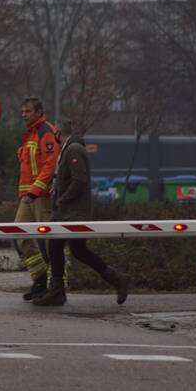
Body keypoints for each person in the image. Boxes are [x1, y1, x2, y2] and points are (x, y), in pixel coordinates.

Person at [34, 118, 129, 306]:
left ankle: (59, 291)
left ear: (58, 133)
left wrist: (63, 198)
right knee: (70, 249)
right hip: (67, 212)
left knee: (65, 248)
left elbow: (79, 180)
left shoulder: (74, 150)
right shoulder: (70, 149)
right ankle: (60, 290)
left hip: (72, 212)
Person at [15, 96, 59, 300]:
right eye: (23, 111)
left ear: (39, 112)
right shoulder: (30, 133)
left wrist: (34, 191)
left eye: (28, 111)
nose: (24, 115)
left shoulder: (45, 131)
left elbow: (50, 165)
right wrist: (28, 193)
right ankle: (40, 279)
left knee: (49, 242)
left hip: (41, 196)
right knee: (20, 235)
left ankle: (56, 287)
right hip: (29, 195)